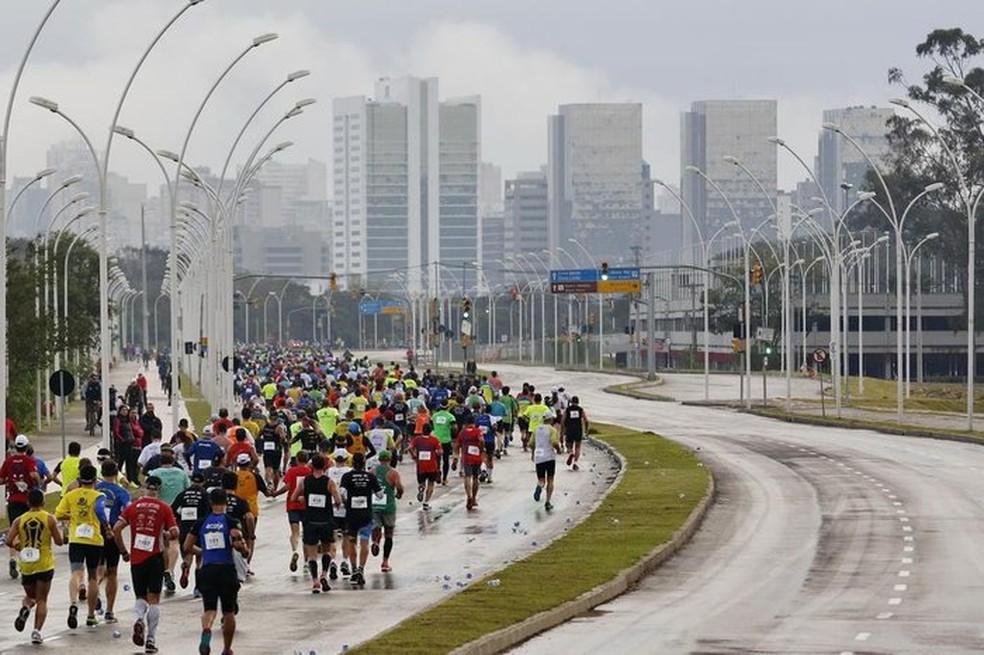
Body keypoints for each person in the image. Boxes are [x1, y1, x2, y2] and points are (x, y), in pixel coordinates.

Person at [113, 475, 178, 654]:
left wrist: (123, 552)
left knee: (140, 597)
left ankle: (140, 618)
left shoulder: (133, 507)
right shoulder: (164, 507)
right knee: (154, 598)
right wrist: (166, 534)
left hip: (136, 559)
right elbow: (175, 532)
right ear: (159, 490)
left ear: (144, 489)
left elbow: (116, 529)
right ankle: (150, 640)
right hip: (155, 558)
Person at [184, 488, 249, 655]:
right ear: (226, 502)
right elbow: (237, 542)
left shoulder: (201, 522)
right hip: (226, 569)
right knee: (228, 612)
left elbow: (187, 546)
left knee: (209, 609)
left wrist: (203, 552)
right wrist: (244, 551)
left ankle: (206, 629)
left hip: (208, 570)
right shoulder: (231, 521)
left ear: (211, 503)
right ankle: (227, 649)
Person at [5, 488, 63, 645]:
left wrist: (18, 546)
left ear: (28, 502)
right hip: (44, 563)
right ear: (43, 502)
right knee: (42, 599)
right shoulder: (49, 519)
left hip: (27, 564)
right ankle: (36, 631)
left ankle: (25, 609)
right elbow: (59, 541)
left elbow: (9, 540)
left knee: (31, 597)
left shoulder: (19, 520)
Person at [55, 464, 108, 629]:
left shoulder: (71, 495)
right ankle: (91, 615)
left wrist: (73, 516)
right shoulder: (99, 495)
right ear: (94, 480)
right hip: (93, 540)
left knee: (76, 572)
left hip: (76, 539)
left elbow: (58, 514)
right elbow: (101, 512)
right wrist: (106, 526)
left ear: (79, 479)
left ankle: (73, 603)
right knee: (93, 577)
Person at [290, 453, 342, 593]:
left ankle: (315, 582)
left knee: (312, 555)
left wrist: (304, 499)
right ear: (324, 466)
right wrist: (335, 503)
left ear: (311, 466)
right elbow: (338, 500)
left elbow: (293, 497)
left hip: (310, 521)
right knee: (327, 551)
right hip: (326, 521)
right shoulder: (329, 482)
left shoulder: (304, 481)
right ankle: (324, 574)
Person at [94, 459, 132, 624]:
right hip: (112, 533)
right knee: (112, 572)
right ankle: (109, 611)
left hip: (94, 534)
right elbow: (129, 511)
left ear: (101, 473)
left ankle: (94, 591)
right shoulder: (121, 492)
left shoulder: (93, 490)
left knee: (97, 570)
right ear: (116, 473)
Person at [0, 434, 41, 579]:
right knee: (26, 532)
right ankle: (26, 562)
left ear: (16, 446)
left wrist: (10, 481)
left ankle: (12, 559)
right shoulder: (29, 461)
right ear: (27, 446)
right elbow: (34, 475)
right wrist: (37, 482)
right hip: (26, 501)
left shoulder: (9, 461)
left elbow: (1, 479)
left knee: (14, 530)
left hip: (12, 500)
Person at [339, 453, 381, 587]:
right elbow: (379, 495)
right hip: (366, 515)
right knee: (364, 543)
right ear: (364, 463)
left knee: (352, 542)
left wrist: (347, 501)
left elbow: (342, 493)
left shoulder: (347, 477)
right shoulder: (370, 476)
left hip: (351, 515)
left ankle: (353, 569)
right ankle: (361, 569)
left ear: (352, 463)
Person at [172, 471, 208, 593]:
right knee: (200, 558)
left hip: (185, 529)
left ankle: (186, 565)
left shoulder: (183, 494)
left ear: (192, 481)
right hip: (199, 529)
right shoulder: (204, 494)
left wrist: (180, 516)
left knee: (188, 553)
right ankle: (198, 588)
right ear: (203, 483)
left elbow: (172, 509)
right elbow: (209, 513)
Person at [276, 450, 311, 573]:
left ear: (297, 460)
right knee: (306, 534)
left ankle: (295, 551)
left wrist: (275, 493)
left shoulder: (291, 471)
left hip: (292, 504)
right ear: (307, 460)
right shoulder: (309, 472)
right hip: (306, 506)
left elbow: (287, 486)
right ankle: (306, 563)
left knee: (294, 533)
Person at [370, 451, 403, 572]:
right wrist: (399, 494)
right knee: (389, 534)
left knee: (376, 527)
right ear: (390, 459)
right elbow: (399, 487)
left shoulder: (372, 471)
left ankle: (375, 541)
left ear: (379, 459)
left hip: (374, 505)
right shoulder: (393, 473)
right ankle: (385, 562)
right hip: (388, 506)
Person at [326, 449, 352, 579]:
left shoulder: (329, 471)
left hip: (332, 507)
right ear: (346, 459)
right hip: (346, 507)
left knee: (333, 537)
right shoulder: (349, 471)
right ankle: (345, 561)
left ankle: (332, 562)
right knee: (347, 536)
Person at [453, 416, 485, 511]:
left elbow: (457, 445)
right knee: (475, 477)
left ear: (466, 423)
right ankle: (474, 498)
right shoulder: (477, 431)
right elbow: (482, 440)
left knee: (467, 477)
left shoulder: (462, 432)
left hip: (467, 457)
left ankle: (469, 496)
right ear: (474, 423)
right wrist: (481, 449)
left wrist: (456, 457)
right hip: (477, 457)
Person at [532, 413, 562, 511]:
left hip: (539, 456)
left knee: (541, 479)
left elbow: (531, 443)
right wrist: (558, 449)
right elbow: (554, 442)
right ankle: (547, 502)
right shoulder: (552, 430)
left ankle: (539, 486)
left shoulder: (536, 429)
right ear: (550, 420)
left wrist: (533, 452)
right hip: (549, 457)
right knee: (550, 479)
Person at [409, 425, 442, 510]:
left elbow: (410, 448)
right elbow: (439, 451)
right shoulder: (434, 440)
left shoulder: (417, 440)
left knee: (421, 482)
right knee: (431, 484)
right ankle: (426, 503)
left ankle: (421, 489)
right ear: (431, 431)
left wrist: (414, 456)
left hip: (421, 465)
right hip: (432, 465)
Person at [561, 395, 589, 471]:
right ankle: (575, 462)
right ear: (578, 402)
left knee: (568, 445)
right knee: (578, 446)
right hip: (578, 430)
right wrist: (586, 429)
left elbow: (563, 420)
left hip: (569, 429)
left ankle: (570, 453)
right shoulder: (580, 410)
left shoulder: (568, 410)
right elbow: (586, 420)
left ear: (571, 402)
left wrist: (562, 430)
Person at [430, 403, 456, 485]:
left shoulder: (434, 416)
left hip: (436, 440)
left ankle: (437, 471)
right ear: (447, 407)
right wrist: (452, 433)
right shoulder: (450, 416)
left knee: (436, 459)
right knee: (445, 459)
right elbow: (454, 427)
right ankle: (444, 478)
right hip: (446, 440)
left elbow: (431, 425)